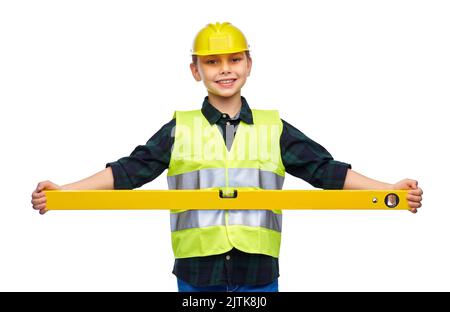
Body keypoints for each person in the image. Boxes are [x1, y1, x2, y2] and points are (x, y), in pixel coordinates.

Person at [31, 22, 423, 292]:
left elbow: (327, 171)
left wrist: (388, 189)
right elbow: (129, 171)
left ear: (249, 65)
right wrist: (64, 191)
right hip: (198, 273)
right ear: (195, 69)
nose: (224, 70)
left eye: (234, 60)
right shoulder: (179, 128)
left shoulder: (274, 128)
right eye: (212, 61)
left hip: (258, 273)